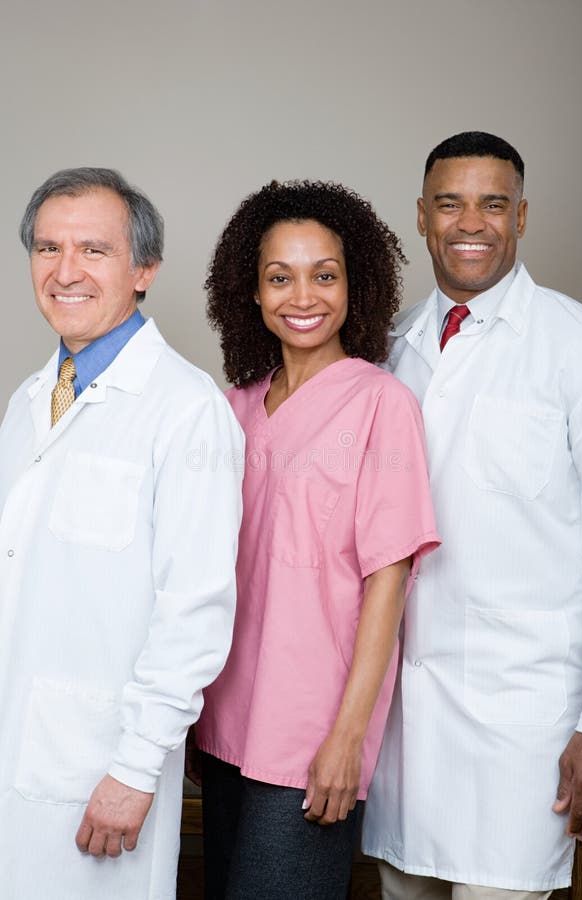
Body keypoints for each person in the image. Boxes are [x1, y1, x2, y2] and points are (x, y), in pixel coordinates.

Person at [362, 131, 582, 897]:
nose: (472, 222)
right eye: (451, 203)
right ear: (422, 219)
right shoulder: (384, 347)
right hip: (405, 724)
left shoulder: (580, 346)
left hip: (525, 722)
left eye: (493, 203)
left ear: (522, 217)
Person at [0, 167, 243, 900]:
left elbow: (194, 612)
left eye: (93, 251)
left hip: (95, 767)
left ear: (144, 269)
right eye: (47, 249)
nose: (64, 271)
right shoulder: (29, 399)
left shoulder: (186, 410)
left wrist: (135, 769)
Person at [193, 180, 441, 899]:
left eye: (324, 275)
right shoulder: (234, 408)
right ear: (252, 292)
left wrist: (347, 740)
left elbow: (387, 584)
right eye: (280, 277)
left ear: (353, 284)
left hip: (308, 738)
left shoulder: (381, 404)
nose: (303, 296)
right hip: (221, 727)